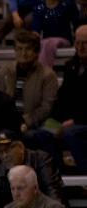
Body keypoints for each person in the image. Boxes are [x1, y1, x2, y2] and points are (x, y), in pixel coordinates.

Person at [0, 30, 59, 152]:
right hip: (11, 123)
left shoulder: (48, 75)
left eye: (28, 49)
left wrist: (26, 122)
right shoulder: (5, 70)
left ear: (37, 52)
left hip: (41, 122)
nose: (23, 53)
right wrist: (13, 123)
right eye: (19, 49)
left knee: (36, 135)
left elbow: (46, 108)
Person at [51, 24, 87, 173]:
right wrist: (52, 122)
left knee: (71, 133)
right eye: (77, 43)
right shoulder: (70, 66)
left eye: (85, 43)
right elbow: (61, 100)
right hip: (69, 124)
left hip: (82, 122)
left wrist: (73, 121)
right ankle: (61, 176)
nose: (80, 47)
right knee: (42, 132)